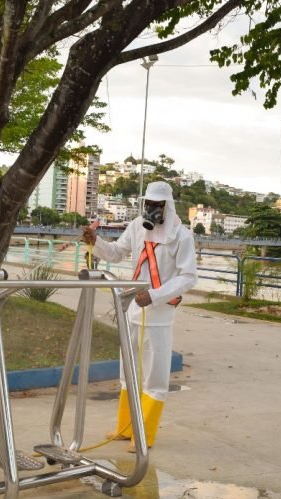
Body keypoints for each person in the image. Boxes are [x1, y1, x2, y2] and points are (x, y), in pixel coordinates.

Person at [82, 181, 197, 452]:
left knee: (155, 376)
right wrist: (95, 241)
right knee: (127, 370)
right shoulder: (136, 227)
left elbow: (188, 276)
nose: (151, 209)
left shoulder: (182, 236)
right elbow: (115, 254)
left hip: (159, 314)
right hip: (133, 309)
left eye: (157, 205)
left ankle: (144, 434)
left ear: (167, 206)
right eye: (148, 204)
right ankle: (125, 427)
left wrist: (155, 295)